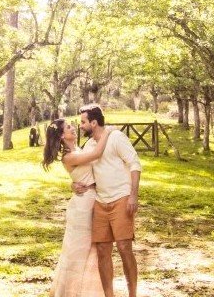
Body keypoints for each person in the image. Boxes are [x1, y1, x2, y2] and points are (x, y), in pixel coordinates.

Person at [42, 118, 112, 297]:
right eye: (68, 127)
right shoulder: (68, 157)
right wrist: (107, 132)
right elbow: (96, 154)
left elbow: (85, 171)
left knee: (91, 248)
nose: (73, 128)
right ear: (61, 136)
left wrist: (73, 184)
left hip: (90, 199)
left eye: (72, 125)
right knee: (79, 250)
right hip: (83, 206)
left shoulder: (78, 149)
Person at [77, 105, 142, 297]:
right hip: (100, 202)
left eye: (83, 122)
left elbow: (135, 164)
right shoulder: (89, 146)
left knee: (124, 248)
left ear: (93, 123)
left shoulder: (116, 137)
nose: (81, 126)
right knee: (103, 251)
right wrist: (75, 185)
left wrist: (133, 195)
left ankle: (132, 295)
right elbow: (84, 173)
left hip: (121, 198)